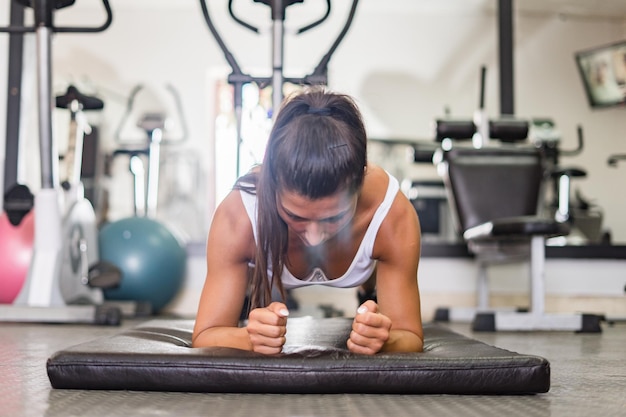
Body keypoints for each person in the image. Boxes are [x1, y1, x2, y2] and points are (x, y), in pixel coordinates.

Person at [192, 87, 423, 355]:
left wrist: (384, 339)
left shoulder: (391, 214)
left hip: (373, 265)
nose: (314, 237)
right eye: (295, 216)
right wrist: (248, 338)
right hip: (255, 247)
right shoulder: (238, 216)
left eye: (334, 217)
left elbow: (410, 336)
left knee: (375, 305)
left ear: (360, 183)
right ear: (272, 184)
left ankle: (368, 291)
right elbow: (205, 334)